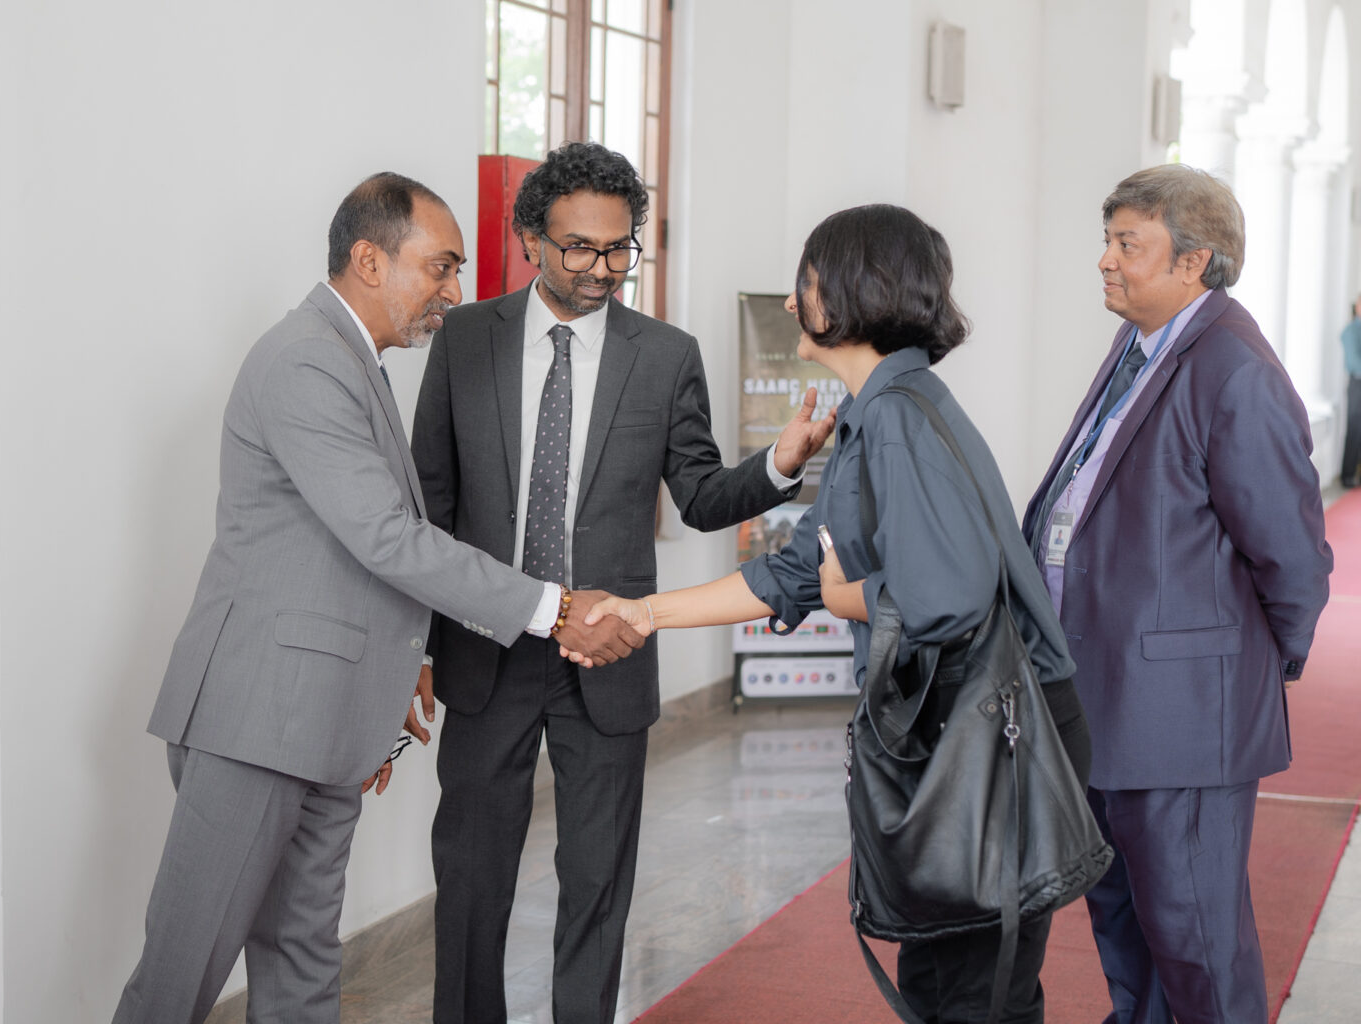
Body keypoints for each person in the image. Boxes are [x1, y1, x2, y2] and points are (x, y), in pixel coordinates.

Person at [111, 172, 643, 1024]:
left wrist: (393, 675)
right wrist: (557, 608)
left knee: (302, 962)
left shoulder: (356, 361)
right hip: (260, 720)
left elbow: (354, 556)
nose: (455, 292)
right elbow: (388, 539)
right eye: (440, 267)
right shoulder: (305, 360)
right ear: (368, 260)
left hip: (325, 723)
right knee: (181, 976)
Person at [578, 203, 1090, 1023]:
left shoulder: (896, 418)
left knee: (973, 995)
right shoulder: (879, 409)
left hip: (990, 733)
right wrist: (644, 613)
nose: (791, 301)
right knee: (943, 981)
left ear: (854, 291)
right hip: (963, 725)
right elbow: (794, 573)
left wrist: (846, 593)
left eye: (806, 281)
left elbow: (945, 599)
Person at [411, 141, 834, 1024]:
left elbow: (703, 495)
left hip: (609, 653)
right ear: (531, 239)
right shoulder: (466, 341)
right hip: (487, 649)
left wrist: (781, 465)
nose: (601, 269)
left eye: (618, 249)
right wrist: (416, 646)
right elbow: (432, 509)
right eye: (579, 248)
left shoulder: (666, 355)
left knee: (597, 882)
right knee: (472, 878)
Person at [1021, 164, 1333, 1024]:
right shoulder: (1140, 346)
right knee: (1127, 926)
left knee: (1195, 940)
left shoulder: (1233, 368)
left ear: (1194, 262)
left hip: (1184, 713)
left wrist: (1250, 668)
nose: (1106, 260)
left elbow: (1292, 555)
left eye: (1129, 244)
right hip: (1104, 697)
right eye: (1108, 240)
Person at [1341, 293, 1361, 487]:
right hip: (1357, 385)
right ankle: (1347, 475)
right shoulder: (1350, 331)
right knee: (1355, 429)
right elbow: (1354, 362)